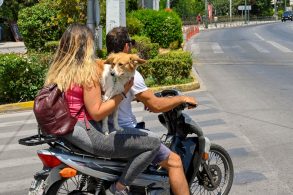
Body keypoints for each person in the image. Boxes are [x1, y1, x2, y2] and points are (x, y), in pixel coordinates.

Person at [45, 23, 161, 195]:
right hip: (86, 131)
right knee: (153, 142)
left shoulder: (57, 71)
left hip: (67, 131)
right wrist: (123, 93)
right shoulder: (87, 72)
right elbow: (97, 112)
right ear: (87, 45)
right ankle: (119, 188)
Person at [106, 27, 198, 195]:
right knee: (175, 161)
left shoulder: (105, 68)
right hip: (125, 131)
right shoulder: (129, 72)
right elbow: (156, 105)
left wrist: (137, 98)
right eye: (130, 45)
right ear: (126, 47)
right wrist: (182, 99)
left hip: (105, 130)